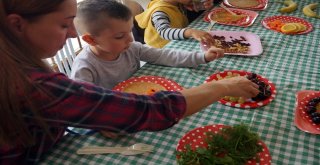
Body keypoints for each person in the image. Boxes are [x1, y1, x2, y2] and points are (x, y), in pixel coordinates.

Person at [0, 0, 259, 164]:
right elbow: (150, 111)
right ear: (17, 25)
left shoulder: (19, 64)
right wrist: (220, 87)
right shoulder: (35, 86)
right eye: (64, 24)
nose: (71, 35)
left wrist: (200, 59)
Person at [71, 0, 224, 90]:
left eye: (129, 32)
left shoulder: (131, 48)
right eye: (119, 36)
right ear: (91, 40)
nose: (130, 40)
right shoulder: (84, 66)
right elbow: (82, 102)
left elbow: (164, 55)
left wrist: (202, 57)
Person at [135, 0, 215, 48]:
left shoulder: (176, 4)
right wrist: (191, 32)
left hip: (176, 42)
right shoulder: (159, 11)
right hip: (161, 48)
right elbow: (164, 32)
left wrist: (199, 7)